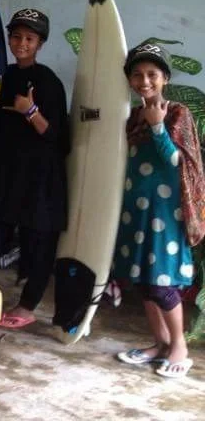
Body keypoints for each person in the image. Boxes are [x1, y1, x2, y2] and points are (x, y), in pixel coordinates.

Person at [0, 8, 69, 329]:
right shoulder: (2, 75)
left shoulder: (49, 81)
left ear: (40, 43)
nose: (21, 43)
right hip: (4, 171)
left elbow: (58, 138)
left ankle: (27, 307)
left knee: (38, 241)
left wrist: (31, 110)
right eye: (16, 36)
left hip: (40, 177)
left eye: (29, 38)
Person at [113, 43, 204, 379]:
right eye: (137, 75)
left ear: (165, 77)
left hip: (167, 215)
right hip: (135, 212)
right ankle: (160, 343)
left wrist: (157, 126)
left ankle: (179, 345)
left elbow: (178, 162)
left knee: (163, 283)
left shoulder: (178, 113)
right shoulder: (131, 116)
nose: (144, 81)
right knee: (143, 283)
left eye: (152, 74)